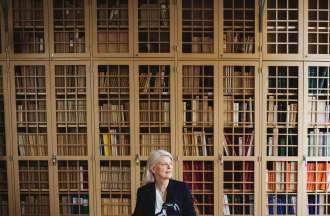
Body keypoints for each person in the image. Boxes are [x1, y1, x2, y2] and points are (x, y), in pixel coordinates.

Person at [133, 149, 196, 216]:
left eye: (170, 164)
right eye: (164, 164)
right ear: (153, 169)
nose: (169, 167)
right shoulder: (143, 192)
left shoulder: (182, 188)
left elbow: (191, 214)